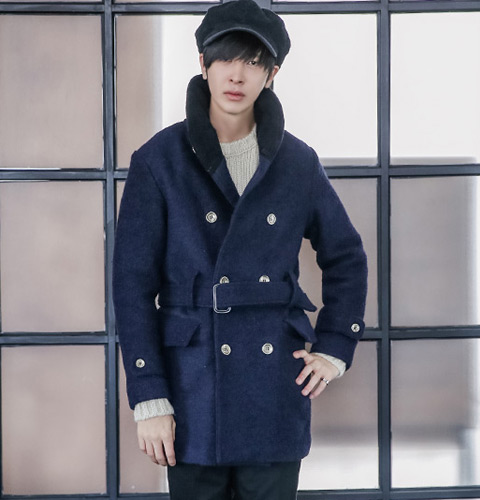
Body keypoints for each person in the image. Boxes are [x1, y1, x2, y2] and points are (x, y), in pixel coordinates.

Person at [112, 0, 368, 498]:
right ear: (203, 64)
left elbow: (347, 257)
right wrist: (149, 395)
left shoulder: (297, 162)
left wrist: (336, 345)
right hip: (190, 386)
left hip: (273, 386)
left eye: (253, 62)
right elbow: (132, 286)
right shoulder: (159, 161)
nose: (237, 74)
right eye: (226, 57)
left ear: (272, 75)